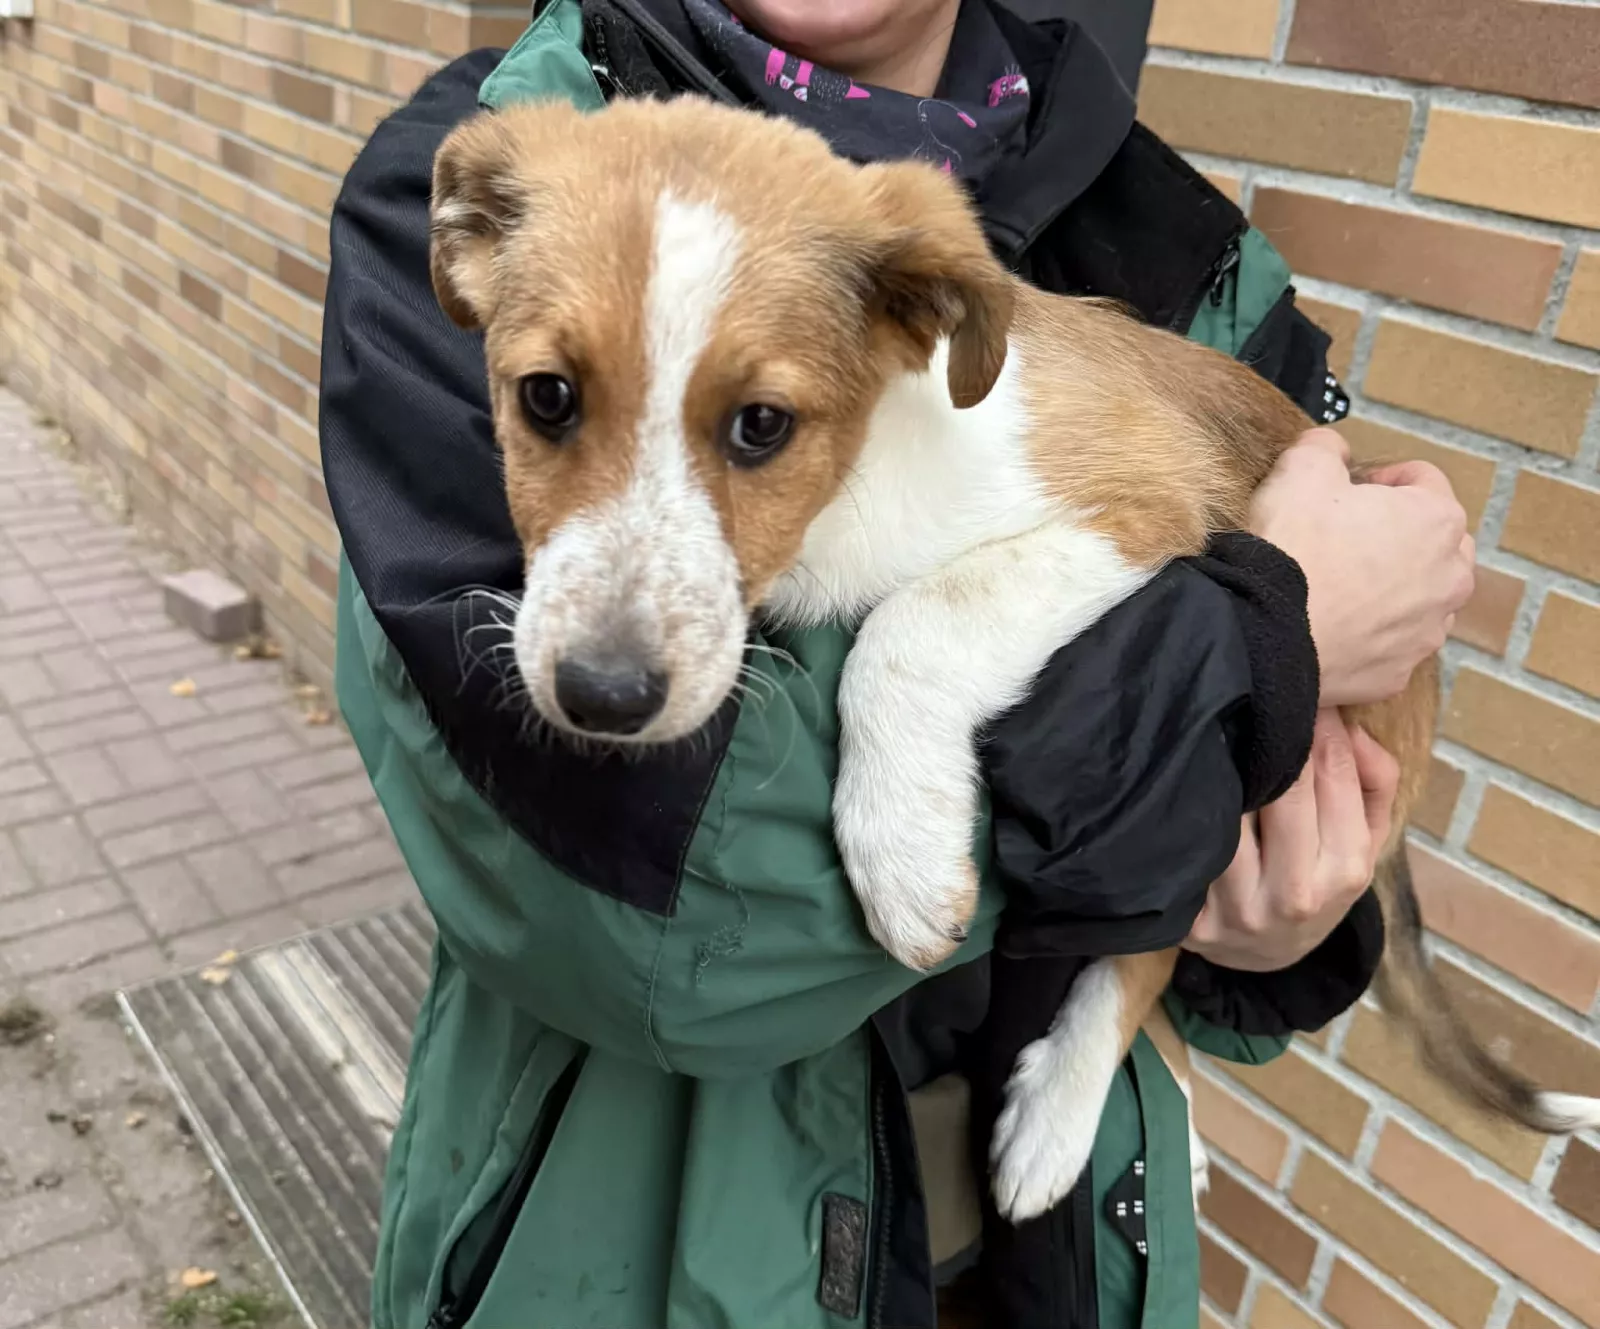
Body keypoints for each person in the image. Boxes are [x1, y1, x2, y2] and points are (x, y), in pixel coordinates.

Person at [319, 1, 1475, 1325]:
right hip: (648, 1248)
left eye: (759, 425)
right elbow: (675, 928)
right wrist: (1264, 646)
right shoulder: (488, 164)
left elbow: (1266, 812)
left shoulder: (1186, 257)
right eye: (550, 402)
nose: (615, 623)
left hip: (1070, 1249)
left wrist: (1283, 930)